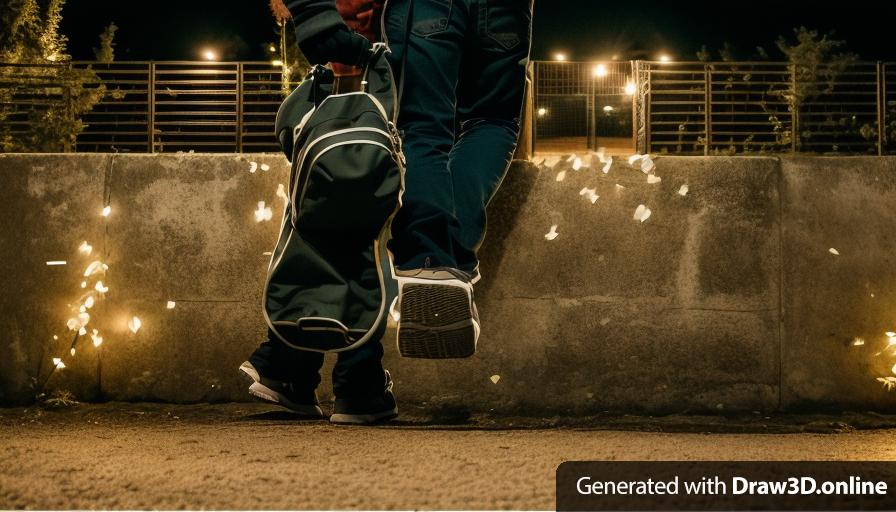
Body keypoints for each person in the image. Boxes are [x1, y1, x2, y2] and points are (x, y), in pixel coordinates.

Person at [240, 0, 533, 424]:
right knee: (486, 127)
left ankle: (309, 366)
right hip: (374, 47)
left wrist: (316, 18)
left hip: (368, 52)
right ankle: (330, 371)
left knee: (353, 203)